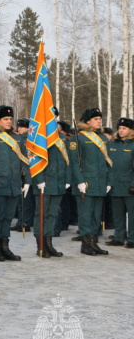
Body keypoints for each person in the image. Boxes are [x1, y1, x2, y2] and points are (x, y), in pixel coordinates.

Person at [0, 105, 31, 262]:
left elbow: (24, 161)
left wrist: (27, 181)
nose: (9, 122)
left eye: (10, 119)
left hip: (14, 185)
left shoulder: (17, 139)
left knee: (8, 218)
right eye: (6, 119)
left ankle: (5, 247)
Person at [70, 108, 112, 256]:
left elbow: (109, 163)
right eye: (96, 119)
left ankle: (93, 243)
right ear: (87, 121)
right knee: (86, 215)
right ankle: (86, 245)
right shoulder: (78, 138)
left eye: (100, 118)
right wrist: (79, 181)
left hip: (100, 183)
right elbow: (74, 163)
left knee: (96, 216)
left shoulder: (103, 139)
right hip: (85, 184)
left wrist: (108, 181)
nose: (99, 121)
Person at [31, 112, 70, 258]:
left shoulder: (61, 138)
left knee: (53, 214)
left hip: (58, 182)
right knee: (41, 214)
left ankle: (49, 242)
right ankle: (40, 244)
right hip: (45, 182)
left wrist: (67, 179)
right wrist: (39, 179)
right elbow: (34, 160)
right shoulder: (39, 137)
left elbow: (67, 160)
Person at [107, 117, 134, 248]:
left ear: (131, 130)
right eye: (119, 128)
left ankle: (132, 238)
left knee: (132, 215)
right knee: (117, 214)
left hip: (129, 186)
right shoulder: (112, 144)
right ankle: (119, 237)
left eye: (124, 128)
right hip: (115, 185)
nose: (121, 131)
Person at [11, 118, 35, 232]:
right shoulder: (18, 139)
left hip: (27, 172)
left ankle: (25, 222)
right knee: (21, 200)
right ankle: (21, 221)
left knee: (26, 200)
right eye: (18, 126)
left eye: (22, 127)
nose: (19, 129)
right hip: (20, 172)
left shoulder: (28, 140)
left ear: (28, 128)